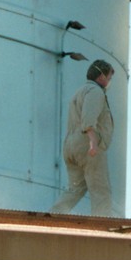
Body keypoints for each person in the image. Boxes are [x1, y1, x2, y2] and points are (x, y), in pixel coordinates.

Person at [51, 59, 115, 217]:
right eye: (109, 77)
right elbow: (88, 120)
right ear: (101, 77)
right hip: (87, 144)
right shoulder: (95, 92)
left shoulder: (79, 91)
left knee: (76, 188)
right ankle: (101, 226)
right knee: (101, 190)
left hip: (71, 145)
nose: (109, 81)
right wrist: (93, 143)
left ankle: (54, 214)